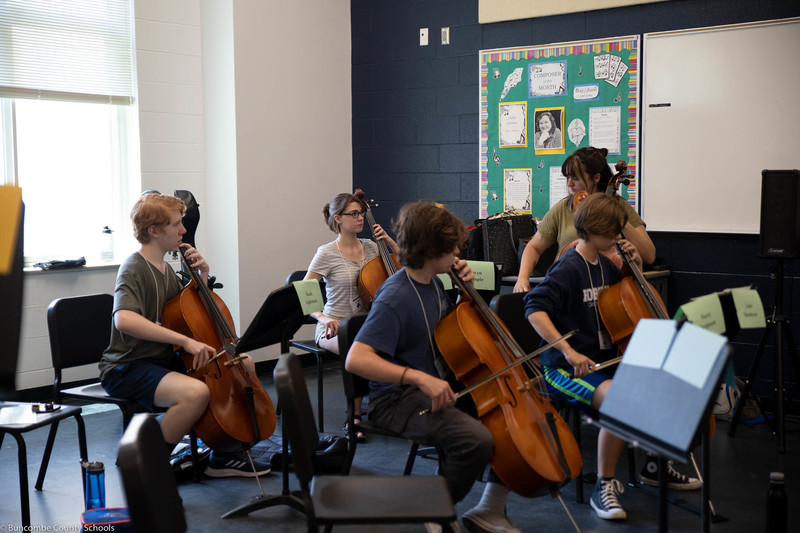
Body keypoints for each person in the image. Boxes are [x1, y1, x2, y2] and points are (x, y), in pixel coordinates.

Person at [346, 201, 521, 533]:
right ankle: (437, 509)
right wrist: (418, 378)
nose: (458, 251)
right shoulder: (395, 295)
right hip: (397, 400)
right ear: (431, 250)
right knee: (476, 441)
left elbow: (445, 335)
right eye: (452, 247)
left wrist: (464, 293)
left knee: (507, 420)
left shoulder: (435, 283)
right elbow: (356, 358)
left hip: (437, 387)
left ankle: (490, 508)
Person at [524, 194, 699, 521]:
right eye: (615, 233)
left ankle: (654, 464)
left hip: (603, 362)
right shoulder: (567, 269)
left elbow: (628, 302)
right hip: (564, 369)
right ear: (593, 230)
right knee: (621, 401)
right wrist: (568, 350)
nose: (620, 237)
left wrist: (635, 266)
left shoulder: (606, 265)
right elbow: (534, 310)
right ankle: (603, 487)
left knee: (655, 385)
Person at [99, 192, 271, 478]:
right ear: (154, 230)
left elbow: (190, 314)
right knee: (196, 392)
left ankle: (223, 453)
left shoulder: (167, 269)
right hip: (127, 366)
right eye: (177, 224)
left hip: (162, 361)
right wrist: (184, 341)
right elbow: (124, 319)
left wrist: (202, 277)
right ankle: (146, 465)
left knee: (243, 364)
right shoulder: (134, 267)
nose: (183, 230)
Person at [304, 192, 398, 441]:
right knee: (354, 347)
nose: (360, 218)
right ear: (338, 218)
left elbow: (400, 267)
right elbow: (305, 291)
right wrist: (323, 318)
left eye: (361, 213)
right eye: (354, 214)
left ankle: (389, 407)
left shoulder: (372, 246)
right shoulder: (326, 252)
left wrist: (389, 242)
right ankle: (353, 416)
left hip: (367, 323)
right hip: (335, 326)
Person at [514, 146, 656, 293]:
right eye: (568, 177)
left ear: (596, 177)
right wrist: (522, 278)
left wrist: (618, 219)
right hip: (567, 288)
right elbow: (534, 247)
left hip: (607, 290)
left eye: (575, 178)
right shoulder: (564, 208)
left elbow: (649, 256)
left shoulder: (619, 206)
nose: (569, 183)